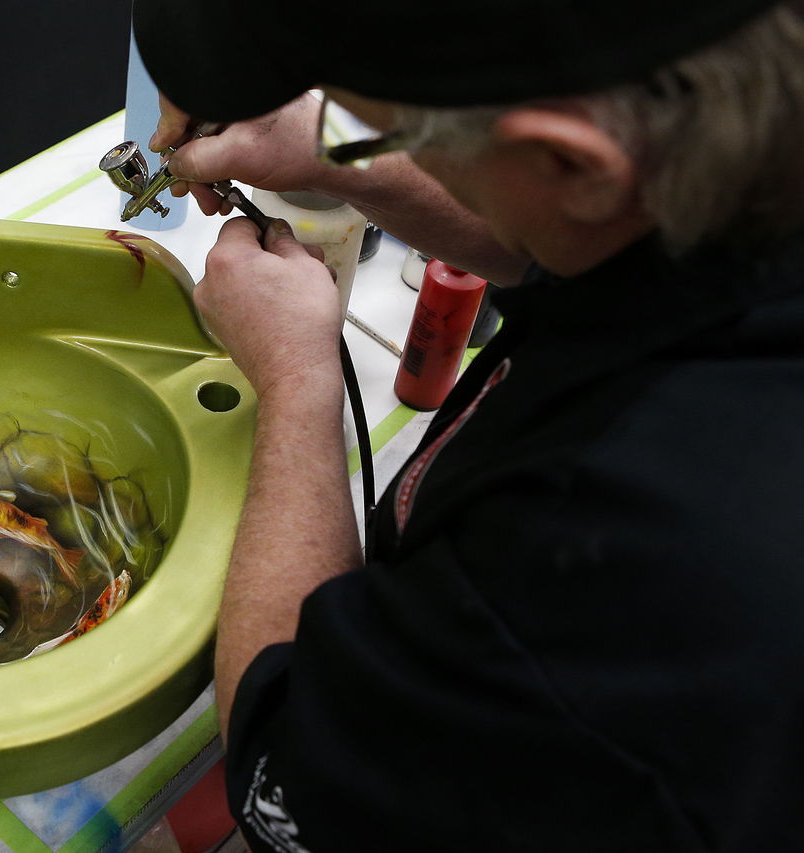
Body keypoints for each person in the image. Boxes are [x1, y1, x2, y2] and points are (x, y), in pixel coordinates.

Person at [133, 0, 804, 849]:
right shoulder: (731, 167)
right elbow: (566, 241)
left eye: (405, 127)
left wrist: (297, 383)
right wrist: (347, 148)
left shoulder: (592, 569)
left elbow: (285, 769)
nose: (378, 134)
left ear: (569, 158)